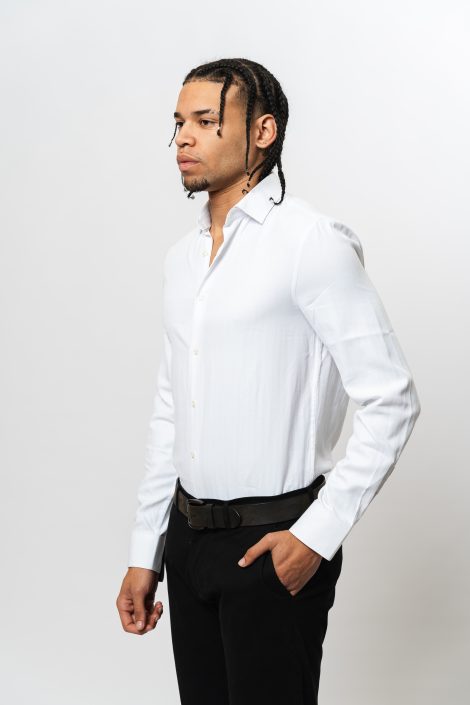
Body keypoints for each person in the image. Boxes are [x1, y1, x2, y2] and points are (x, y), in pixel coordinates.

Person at [116, 57, 421, 705]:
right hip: (187, 543)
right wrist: (148, 548)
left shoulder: (311, 244)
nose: (184, 138)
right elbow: (172, 407)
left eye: (205, 121)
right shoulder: (181, 260)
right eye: (178, 123)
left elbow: (391, 399)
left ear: (262, 131)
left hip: (273, 543)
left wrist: (316, 536)